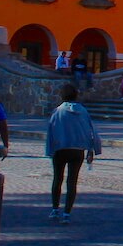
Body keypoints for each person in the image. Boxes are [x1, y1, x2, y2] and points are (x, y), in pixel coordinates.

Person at [45, 83, 103, 223]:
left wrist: (49, 150)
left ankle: (55, 209)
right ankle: (67, 213)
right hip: (77, 150)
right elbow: (91, 130)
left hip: (60, 149)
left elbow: (51, 131)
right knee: (72, 181)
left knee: (57, 179)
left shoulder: (58, 111)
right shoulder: (83, 111)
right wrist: (92, 149)